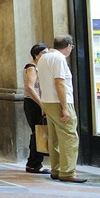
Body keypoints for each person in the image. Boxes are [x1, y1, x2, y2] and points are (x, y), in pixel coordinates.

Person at [35, 35, 86, 183]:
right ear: (68, 46)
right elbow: (59, 83)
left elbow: (40, 82)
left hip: (48, 101)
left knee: (55, 137)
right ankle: (68, 172)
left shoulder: (44, 57)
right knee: (69, 136)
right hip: (59, 101)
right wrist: (65, 107)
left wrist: (44, 102)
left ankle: (56, 169)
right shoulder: (59, 59)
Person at [22, 43, 48, 174]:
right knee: (37, 131)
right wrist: (41, 103)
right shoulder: (31, 67)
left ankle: (35, 162)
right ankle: (33, 163)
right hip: (32, 103)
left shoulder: (40, 68)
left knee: (39, 131)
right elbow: (29, 87)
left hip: (37, 103)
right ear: (36, 55)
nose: (46, 56)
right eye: (43, 53)